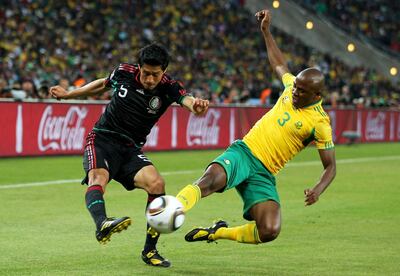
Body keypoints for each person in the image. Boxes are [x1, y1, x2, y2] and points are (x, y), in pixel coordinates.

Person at [176, 9, 336, 245]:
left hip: (265, 173)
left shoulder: (320, 124)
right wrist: (266, 32)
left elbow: (330, 166)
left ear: (317, 94)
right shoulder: (291, 86)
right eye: (295, 87)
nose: (294, 92)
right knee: (210, 181)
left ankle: (217, 232)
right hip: (244, 152)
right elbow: (279, 64)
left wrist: (318, 189)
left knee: (269, 230)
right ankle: (173, 208)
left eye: (301, 91)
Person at [49, 42, 209, 267]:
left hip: (130, 148)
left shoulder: (170, 87)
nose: (150, 79)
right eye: (146, 73)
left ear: (164, 71)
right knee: (98, 178)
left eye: (155, 75)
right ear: (139, 67)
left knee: (156, 184)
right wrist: (68, 95)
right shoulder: (124, 72)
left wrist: (196, 106)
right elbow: (101, 85)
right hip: (103, 138)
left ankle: (150, 251)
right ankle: (102, 223)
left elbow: (187, 101)